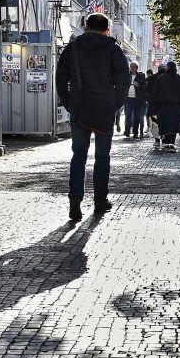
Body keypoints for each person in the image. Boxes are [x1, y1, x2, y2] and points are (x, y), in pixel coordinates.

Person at [56, 12, 130, 222]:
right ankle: (100, 200)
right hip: (104, 109)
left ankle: (76, 198)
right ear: (107, 29)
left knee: (78, 155)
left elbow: (60, 78)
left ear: (86, 26)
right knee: (102, 157)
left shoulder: (73, 48)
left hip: (79, 108)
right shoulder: (113, 50)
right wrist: (115, 103)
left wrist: (69, 103)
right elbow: (124, 79)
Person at [149, 62, 180, 153]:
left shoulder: (160, 78)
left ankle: (167, 143)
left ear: (167, 68)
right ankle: (172, 143)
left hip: (163, 105)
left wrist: (153, 105)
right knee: (174, 124)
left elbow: (155, 92)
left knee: (164, 124)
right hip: (177, 106)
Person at [124, 62, 147, 139]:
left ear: (137, 68)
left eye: (134, 67)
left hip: (137, 100)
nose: (132, 68)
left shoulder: (140, 76)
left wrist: (139, 85)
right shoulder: (126, 76)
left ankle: (135, 133)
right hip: (128, 99)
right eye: (131, 66)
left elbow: (144, 87)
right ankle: (127, 131)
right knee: (128, 115)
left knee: (137, 117)